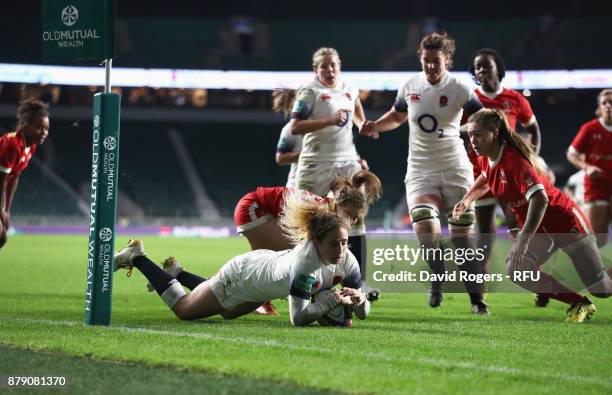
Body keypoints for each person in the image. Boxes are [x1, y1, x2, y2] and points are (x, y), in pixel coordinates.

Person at [361, 32, 487, 314]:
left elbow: (482, 118)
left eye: (436, 61)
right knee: (427, 233)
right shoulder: (410, 86)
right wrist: (375, 126)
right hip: (420, 170)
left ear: (447, 60)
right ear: (421, 59)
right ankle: (437, 275)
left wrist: (473, 132)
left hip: (456, 170)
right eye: (426, 61)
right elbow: (397, 115)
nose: (430, 66)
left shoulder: (460, 88)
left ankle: (477, 300)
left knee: (462, 240)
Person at [115, 192, 370, 326]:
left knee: (226, 313)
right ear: (316, 241)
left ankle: (178, 273)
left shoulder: (348, 260)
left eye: (345, 243)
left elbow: (363, 312)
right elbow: (298, 319)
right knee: (184, 310)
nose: (341, 250)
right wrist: (333, 300)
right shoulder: (305, 265)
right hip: (243, 276)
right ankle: (137, 257)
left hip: (261, 280)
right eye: (334, 244)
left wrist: (361, 301)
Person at [454, 109, 612, 323]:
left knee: (602, 289)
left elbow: (540, 200)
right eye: (470, 135)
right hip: (539, 227)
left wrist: (522, 240)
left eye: (478, 135)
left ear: (494, 132)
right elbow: (485, 178)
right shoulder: (485, 158)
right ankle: (579, 303)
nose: (472, 140)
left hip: (564, 221)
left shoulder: (514, 161)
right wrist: (468, 199)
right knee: (518, 270)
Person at [233, 170, 381, 314]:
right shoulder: (321, 211)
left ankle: (219, 289)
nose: (351, 222)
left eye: (355, 218)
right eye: (348, 214)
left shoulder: (328, 211)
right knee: (293, 257)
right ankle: (263, 300)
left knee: (287, 262)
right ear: (339, 204)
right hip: (253, 208)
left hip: (261, 209)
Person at [290, 48, 373, 291]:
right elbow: (295, 126)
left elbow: (357, 116)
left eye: (333, 65)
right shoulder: (309, 92)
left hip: (346, 161)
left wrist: (364, 126)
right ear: (316, 69)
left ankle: (358, 282)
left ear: (340, 65)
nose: (329, 70)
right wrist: (329, 120)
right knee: (308, 221)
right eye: (323, 66)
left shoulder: (350, 87)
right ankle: (304, 278)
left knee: (355, 218)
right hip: (315, 162)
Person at [467, 48, 543, 274]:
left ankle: (537, 278)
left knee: (516, 226)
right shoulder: (470, 98)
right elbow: (459, 130)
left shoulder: (515, 98)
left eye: (486, 66)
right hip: (481, 172)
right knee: (485, 237)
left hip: (508, 172)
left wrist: (532, 159)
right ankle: (481, 287)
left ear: (498, 69)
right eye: (477, 67)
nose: (481, 70)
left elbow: (533, 130)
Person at [0, 99, 50, 250]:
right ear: (25, 126)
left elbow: (14, 177)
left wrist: (7, 210)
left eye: (46, 129)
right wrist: (2, 213)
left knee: (2, 237)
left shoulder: (30, 147)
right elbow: (0, 182)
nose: (44, 133)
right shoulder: (11, 145)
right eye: (39, 128)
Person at [566, 89, 612, 248]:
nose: (608, 106)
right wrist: (587, 167)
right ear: (599, 108)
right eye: (604, 103)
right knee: (598, 240)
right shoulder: (590, 129)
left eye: (611, 102)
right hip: (597, 187)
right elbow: (571, 154)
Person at [273, 89, 302, 188]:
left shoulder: (322, 125)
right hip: (297, 186)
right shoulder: (289, 129)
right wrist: (307, 153)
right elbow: (280, 158)